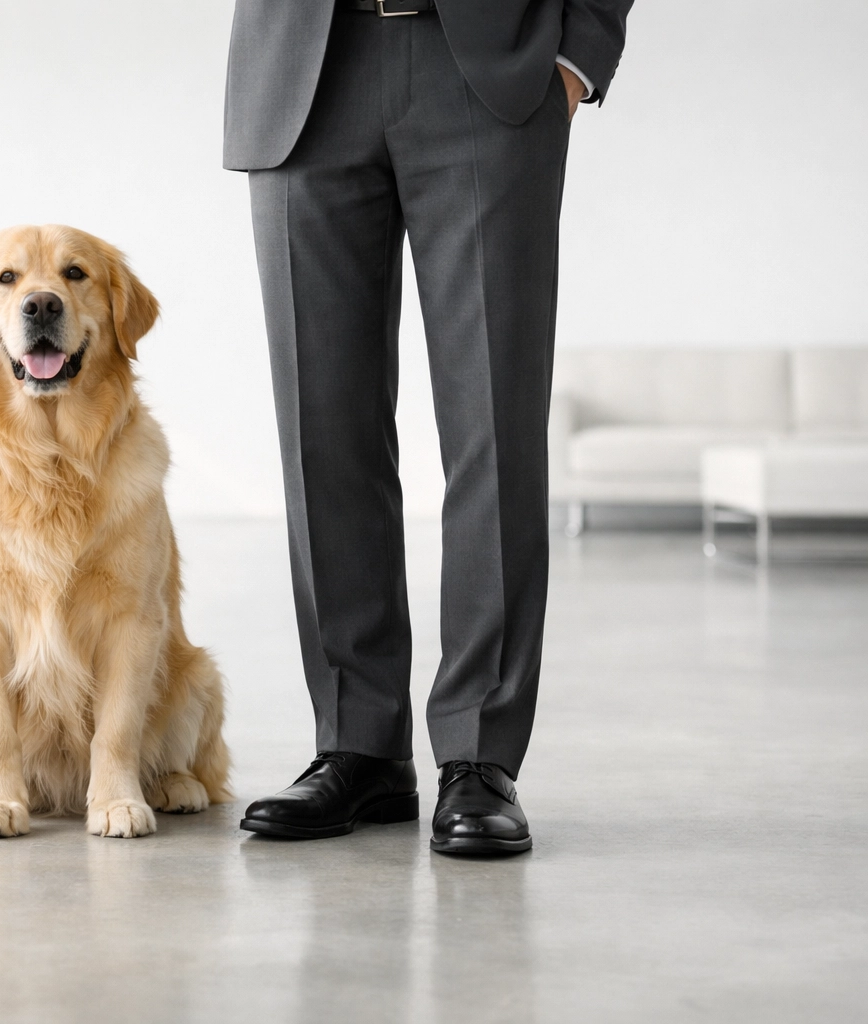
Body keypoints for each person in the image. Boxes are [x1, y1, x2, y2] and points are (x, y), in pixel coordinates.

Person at [226, 0, 632, 854]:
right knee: (320, 437)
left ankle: (480, 755)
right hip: (302, 71)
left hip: (488, 70)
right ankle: (357, 743)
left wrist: (581, 52)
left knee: (493, 428)